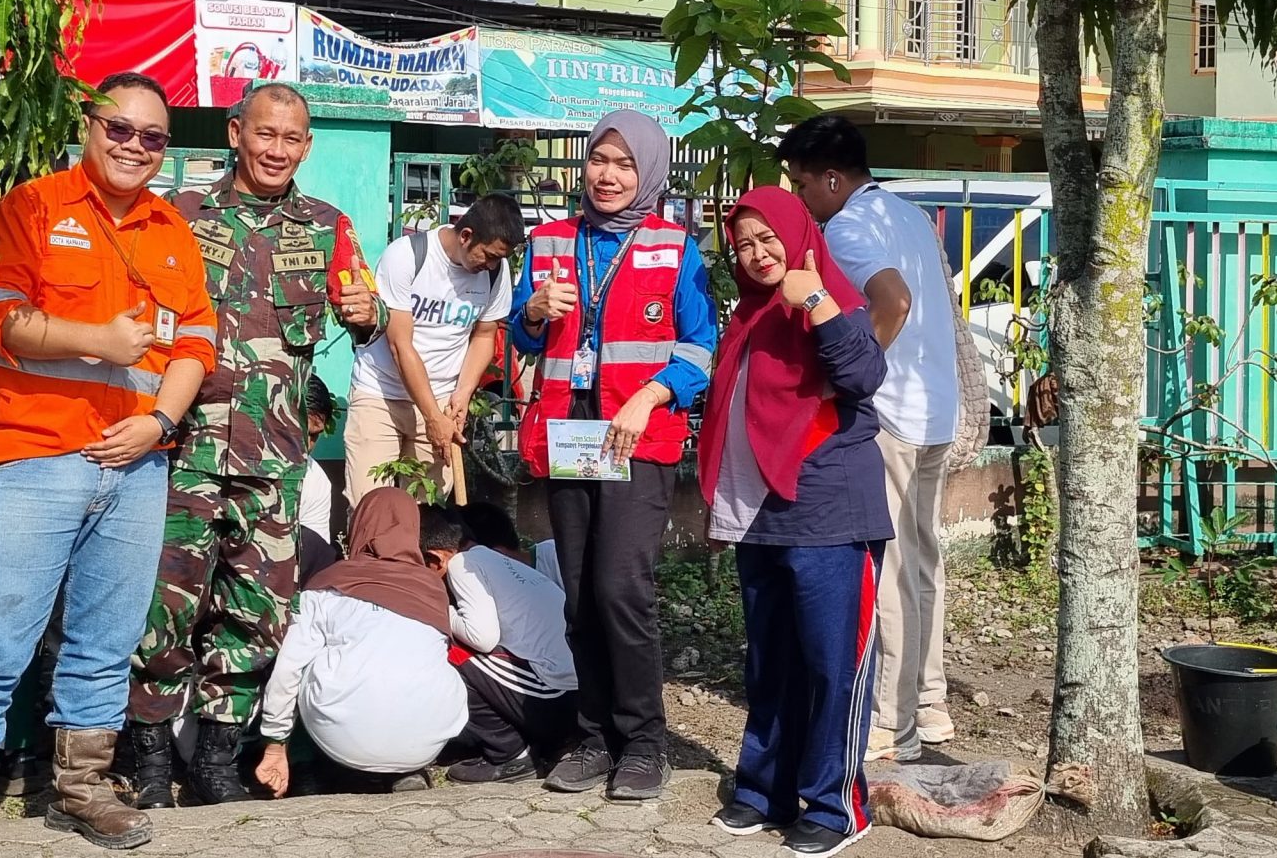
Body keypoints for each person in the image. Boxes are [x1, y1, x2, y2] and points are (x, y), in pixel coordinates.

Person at [0, 73, 218, 858]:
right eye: (120, 128)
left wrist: (159, 421)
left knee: (106, 640)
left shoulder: (172, 230)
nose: (135, 146)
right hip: (36, 456)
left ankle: (82, 788)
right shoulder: (33, 208)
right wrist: (96, 340)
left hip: (137, 463)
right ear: (90, 125)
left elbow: (196, 341)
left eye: (153, 136)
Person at [127, 83, 384, 809]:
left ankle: (216, 760)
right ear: (236, 132)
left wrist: (366, 310)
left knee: (254, 610)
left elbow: (368, 316)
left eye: (292, 138)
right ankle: (149, 761)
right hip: (182, 452)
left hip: (274, 460)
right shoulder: (179, 215)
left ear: (307, 146)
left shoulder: (329, 227)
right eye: (265, 134)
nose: (277, 150)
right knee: (163, 605)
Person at [510, 110, 716, 801]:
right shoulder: (548, 241)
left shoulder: (675, 247)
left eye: (625, 164)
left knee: (620, 588)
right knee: (577, 594)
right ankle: (595, 737)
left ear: (649, 172)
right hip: (569, 434)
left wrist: (651, 395)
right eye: (599, 158)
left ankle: (646, 742)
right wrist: (533, 312)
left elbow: (700, 347)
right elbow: (522, 338)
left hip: (637, 436)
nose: (608, 174)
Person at [704, 188, 891, 857]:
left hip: (831, 513)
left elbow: (864, 374)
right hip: (760, 515)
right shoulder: (749, 315)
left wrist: (814, 300)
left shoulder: (834, 301)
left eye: (767, 238)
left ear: (799, 234)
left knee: (831, 665)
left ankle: (837, 805)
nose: (757, 254)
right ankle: (765, 789)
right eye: (744, 244)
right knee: (770, 663)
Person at [779, 114, 962, 761]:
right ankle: (929, 706)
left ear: (833, 178)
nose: (802, 199)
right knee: (922, 564)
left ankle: (890, 721)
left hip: (890, 413)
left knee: (888, 572)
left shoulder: (849, 226)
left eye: (803, 184)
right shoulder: (906, 214)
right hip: (937, 409)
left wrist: (850, 374)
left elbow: (895, 302)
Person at [249, 492, 465, 794]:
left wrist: (274, 743)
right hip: (424, 745)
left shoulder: (327, 585)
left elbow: (287, 671)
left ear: (360, 526)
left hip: (341, 740)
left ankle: (310, 767)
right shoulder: (433, 588)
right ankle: (405, 768)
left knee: (306, 658)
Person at [342, 195, 523, 508]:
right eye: (489, 255)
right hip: (380, 395)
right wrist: (432, 416)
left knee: (430, 509)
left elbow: (485, 334)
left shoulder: (496, 273)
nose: (491, 265)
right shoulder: (406, 256)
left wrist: (462, 394)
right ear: (466, 236)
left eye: (499, 259)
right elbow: (399, 345)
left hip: (442, 401)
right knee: (370, 507)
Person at [439, 503, 575, 785]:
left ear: (437, 556)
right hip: (579, 699)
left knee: (456, 650)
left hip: (559, 700)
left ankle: (510, 754)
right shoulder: (514, 566)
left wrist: (441, 609)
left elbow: (482, 637)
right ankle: (551, 741)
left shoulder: (463, 563)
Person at [295, 379, 339, 582]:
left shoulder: (317, 480)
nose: (307, 444)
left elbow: (314, 554)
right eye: (300, 431)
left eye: (314, 436)